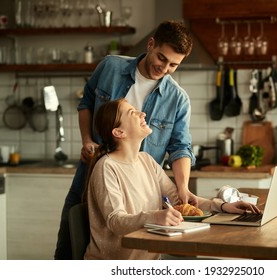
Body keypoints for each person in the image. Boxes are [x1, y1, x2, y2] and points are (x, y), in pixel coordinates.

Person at [55, 20, 199, 259]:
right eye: (162, 58)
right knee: (67, 251)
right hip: (91, 174)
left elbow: (180, 147)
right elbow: (86, 102)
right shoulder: (110, 66)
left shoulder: (178, 99)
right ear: (151, 44)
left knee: (130, 254)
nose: (164, 68)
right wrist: (87, 140)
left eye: (174, 65)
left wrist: (182, 188)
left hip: (136, 195)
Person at [84, 99, 260, 259]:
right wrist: (156, 217)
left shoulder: (146, 160)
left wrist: (222, 206)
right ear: (119, 132)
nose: (142, 114)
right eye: (133, 113)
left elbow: (179, 201)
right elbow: (116, 221)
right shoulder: (106, 167)